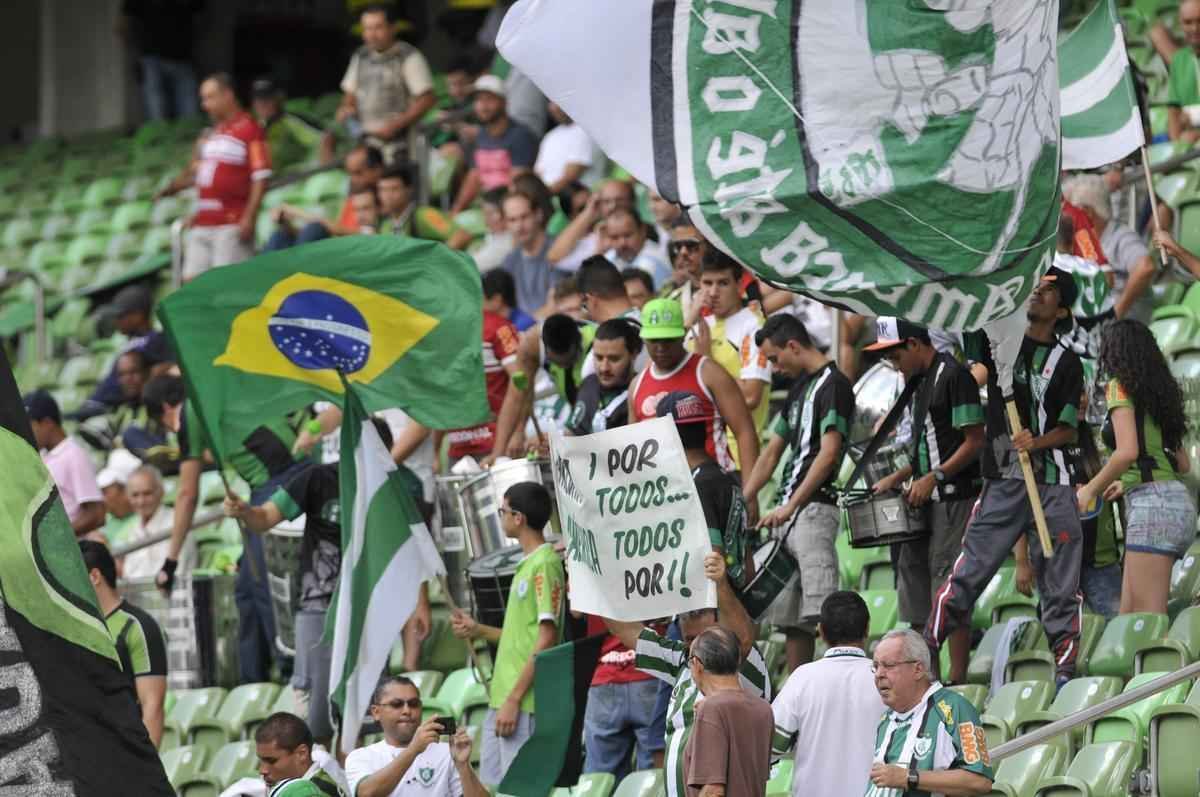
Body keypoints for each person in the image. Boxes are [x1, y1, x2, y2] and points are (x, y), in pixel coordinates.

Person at [924, 269, 1086, 689]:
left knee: (1060, 584)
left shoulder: (1068, 363)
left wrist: (1037, 441)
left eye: (1048, 289)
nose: (1037, 291)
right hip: (1003, 479)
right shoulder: (998, 339)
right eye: (1035, 285)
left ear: (1062, 310)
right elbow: (970, 312)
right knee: (969, 572)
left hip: (1055, 484)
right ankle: (925, 649)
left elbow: (1069, 429)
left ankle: (1065, 673)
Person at [225, 430, 433, 745]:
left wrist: (421, 603)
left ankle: (359, 772)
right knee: (316, 718)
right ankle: (323, 773)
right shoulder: (317, 478)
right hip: (318, 605)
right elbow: (265, 518)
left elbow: (412, 550)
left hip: (370, 608)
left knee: (367, 713)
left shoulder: (400, 486)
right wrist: (245, 512)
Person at [143, 375, 307, 683]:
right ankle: (254, 686)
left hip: (276, 484)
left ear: (165, 409)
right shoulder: (218, 392)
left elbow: (187, 494)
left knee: (265, 589)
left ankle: (294, 679)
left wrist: (170, 561)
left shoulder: (191, 410)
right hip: (294, 471)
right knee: (246, 590)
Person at [867, 318, 984, 684]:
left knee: (948, 584)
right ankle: (927, 675)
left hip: (952, 497)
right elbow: (926, 448)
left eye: (896, 356)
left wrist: (935, 476)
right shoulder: (917, 383)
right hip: (922, 499)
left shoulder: (954, 376)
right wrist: (898, 477)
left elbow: (974, 440)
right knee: (914, 584)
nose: (895, 365)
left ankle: (958, 677)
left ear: (915, 345)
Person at [601, 552, 767, 797]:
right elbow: (627, 632)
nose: (694, 646)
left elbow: (742, 638)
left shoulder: (740, 663)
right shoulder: (683, 659)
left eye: (703, 636)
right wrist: (594, 588)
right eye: (689, 638)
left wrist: (720, 585)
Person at [741, 315, 852, 672]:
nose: (775, 368)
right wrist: (746, 497)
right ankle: (798, 686)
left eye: (775, 359)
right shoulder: (800, 387)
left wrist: (791, 504)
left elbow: (829, 453)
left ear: (792, 346)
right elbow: (771, 452)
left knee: (823, 611)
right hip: (788, 512)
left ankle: (835, 681)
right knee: (791, 620)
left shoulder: (834, 385)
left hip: (813, 509)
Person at [1076, 320, 1196, 614]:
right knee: (1127, 619)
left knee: (1146, 620)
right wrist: (1128, 481)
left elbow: (1127, 451)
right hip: (1176, 505)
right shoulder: (1162, 395)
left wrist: (1090, 490)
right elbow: (1182, 464)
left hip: (1152, 510)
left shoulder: (1118, 387)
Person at [450, 483, 564, 787]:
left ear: (518, 517)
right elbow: (519, 637)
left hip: (523, 700)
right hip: (502, 698)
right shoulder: (526, 565)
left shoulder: (545, 563)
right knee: (491, 787)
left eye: (502, 511)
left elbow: (546, 639)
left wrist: (515, 699)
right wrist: (476, 629)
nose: (500, 517)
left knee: (518, 789)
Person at [157, 73, 271, 281]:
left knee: (226, 284)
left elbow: (261, 176)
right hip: (203, 222)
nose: (204, 105)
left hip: (231, 223)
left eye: (210, 97)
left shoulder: (250, 130)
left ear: (228, 95)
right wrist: (173, 187)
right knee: (192, 283)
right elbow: (197, 173)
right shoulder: (210, 134)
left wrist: (249, 216)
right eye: (203, 99)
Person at [629, 297, 760, 476]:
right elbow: (633, 447)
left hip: (713, 482)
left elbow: (745, 431)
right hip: (666, 487)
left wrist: (749, 488)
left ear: (683, 335)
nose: (661, 347)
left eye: (668, 340)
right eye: (654, 340)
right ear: (644, 339)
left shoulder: (709, 372)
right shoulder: (637, 385)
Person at [772, 592, 885, 797]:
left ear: (821, 631)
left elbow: (772, 745)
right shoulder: (885, 679)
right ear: (867, 628)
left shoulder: (802, 678)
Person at [867, 630, 993, 797]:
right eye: (876, 667)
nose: (879, 674)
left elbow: (980, 781)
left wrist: (908, 777)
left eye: (888, 665)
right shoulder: (885, 719)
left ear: (918, 669)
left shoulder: (954, 709)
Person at [658, 392, 755, 592]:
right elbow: (748, 563)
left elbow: (712, 563)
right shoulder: (726, 477)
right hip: (740, 597)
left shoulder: (697, 486)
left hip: (716, 605)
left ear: (667, 436)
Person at [80, 540, 167, 747]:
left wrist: (146, 763)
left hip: (127, 750)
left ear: (94, 577)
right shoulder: (76, 628)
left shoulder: (138, 626)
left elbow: (152, 706)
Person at [690, 252, 771, 472]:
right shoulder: (695, 325)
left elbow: (751, 396)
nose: (713, 292)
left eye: (723, 283)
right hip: (694, 457)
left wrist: (707, 361)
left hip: (737, 459)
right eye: (707, 283)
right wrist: (688, 320)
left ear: (739, 284)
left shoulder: (754, 327)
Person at [347, 676, 485, 797]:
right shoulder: (361, 756)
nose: (407, 710)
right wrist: (413, 750)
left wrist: (463, 766)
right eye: (397, 704)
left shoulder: (447, 752)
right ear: (376, 712)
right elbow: (366, 794)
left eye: (413, 704)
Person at [337, 4, 436, 162]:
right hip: (367, 142)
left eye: (378, 28)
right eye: (367, 29)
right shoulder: (361, 55)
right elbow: (350, 94)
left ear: (392, 28)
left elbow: (427, 99)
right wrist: (346, 108)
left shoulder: (407, 56)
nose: (372, 34)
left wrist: (395, 126)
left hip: (400, 144)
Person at [683, 626, 773, 797]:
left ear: (697, 664)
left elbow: (713, 791)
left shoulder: (711, 709)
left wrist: (707, 716)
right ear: (737, 661)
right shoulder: (763, 709)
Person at [1064, 175, 1157, 324]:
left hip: (1126, 327)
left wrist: (1117, 312)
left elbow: (1146, 267)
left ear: (1086, 212)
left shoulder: (1121, 236)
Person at [443, 303, 522, 464]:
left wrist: (517, 432)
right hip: (457, 446)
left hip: (495, 443)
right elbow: (441, 394)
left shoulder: (498, 327)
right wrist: (436, 450)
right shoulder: (442, 331)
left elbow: (520, 381)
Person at [265, 145, 385, 250]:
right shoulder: (351, 198)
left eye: (358, 173)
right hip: (331, 247)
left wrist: (295, 212)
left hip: (343, 253)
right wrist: (286, 224)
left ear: (377, 170)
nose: (352, 180)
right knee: (281, 236)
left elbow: (332, 228)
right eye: (350, 173)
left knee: (315, 229)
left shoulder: (382, 200)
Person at [450, 77, 539, 214]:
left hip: (511, 211)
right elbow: (474, 177)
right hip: (485, 208)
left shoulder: (520, 136)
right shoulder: (480, 136)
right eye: (479, 100)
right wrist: (456, 211)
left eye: (489, 99)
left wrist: (502, 214)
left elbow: (519, 182)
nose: (483, 106)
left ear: (504, 102)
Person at [25, 390, 105, 537]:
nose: (26, 434)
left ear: (47, 423)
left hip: (73, 548)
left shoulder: (73, 455)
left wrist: (58, 538)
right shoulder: (42, 456)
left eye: (29, 427)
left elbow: (97, 514)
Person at [118, 0, 202, 121]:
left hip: (183, 59)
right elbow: (123, 24)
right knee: (157, 117)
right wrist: (135, 55)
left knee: (190, 118)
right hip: (151, 60)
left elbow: (201, 17)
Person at [240, 712, 347, 797]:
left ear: (302, 754)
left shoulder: (317, 792)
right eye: (261, 760)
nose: (262, 770)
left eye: (271, 761)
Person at [565, 319, 641, 436]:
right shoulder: (589, 384)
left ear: (634, 354)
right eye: (598, 358)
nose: (604, 368)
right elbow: (572, 434)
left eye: (614, 359)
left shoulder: (641, 392)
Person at [500, 189, 566, 318]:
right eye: (512, 220)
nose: (519, 226)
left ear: (538, 214)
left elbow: (556, 306)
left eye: (524, 217)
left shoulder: (558, 250)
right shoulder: (509, 261)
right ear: (506, 224)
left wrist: (521, 326)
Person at [548, 180, 638, 272]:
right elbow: (553, 257)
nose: (613, 206)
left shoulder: (640, 228)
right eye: (606, 201)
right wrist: (588, 212)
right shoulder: (593, 239)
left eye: (620, 200)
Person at [122, 465, 192, 579]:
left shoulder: (176, 523)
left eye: (147, 493)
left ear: (161, 492)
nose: (141, 501)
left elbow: (178, 572)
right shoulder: (133, 530)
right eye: (135, 495)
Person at [252, 78, 325, 174]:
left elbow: (323, 141)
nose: (262, 104)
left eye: (267, 98)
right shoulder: (252, 128)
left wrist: (305, 169)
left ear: (279, 98)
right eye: (258, 99)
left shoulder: (291, 121)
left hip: (294, 178)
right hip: (267, 179)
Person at [376, 163, 462, 245]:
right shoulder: (384, 225)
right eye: (383, 190)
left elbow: (460, 236)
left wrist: (438, 255)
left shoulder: (424, 214)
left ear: (408, 190)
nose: (388, 196)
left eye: (394, 189)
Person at [534, 102, 605, 193]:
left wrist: (542, 196)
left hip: (576, 195)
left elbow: (571, 176)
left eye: (556, 102)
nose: (553, 107)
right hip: (548, 195)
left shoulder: (586, 131)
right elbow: (538, 173)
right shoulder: (551, 135)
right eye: (551, 103)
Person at [604, 209, 671, 288]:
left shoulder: (652, 262)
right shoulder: (609, 257)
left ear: (642, 231)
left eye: (627, 235)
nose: (622, 243)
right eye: (615, 237)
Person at [658, 222, 708, 320]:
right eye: (678, 246)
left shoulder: (730, 294)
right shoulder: (671, 301)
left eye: (690, 245)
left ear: (709, 245)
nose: (683, 252)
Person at [1167, 0, 1200, 143]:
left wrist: (1191, 117)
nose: (1195, 28)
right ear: (1180, 24)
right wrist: (1177, 145)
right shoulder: (1178, 60)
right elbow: (1173, 112)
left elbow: (1186, 117)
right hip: (1190, 149)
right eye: (1188, 22)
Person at [576, 255, 640, 325]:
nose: (587, 313)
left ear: (591, 298)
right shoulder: (646, 321)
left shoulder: (613, 330)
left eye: (584, 306)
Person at [97, 449, 140, 547]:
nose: (101, 498)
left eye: (105, 492)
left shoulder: (144, 519)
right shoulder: (105, 519)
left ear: (125, 492)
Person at [472, 189, 516, 273]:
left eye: (489, 213)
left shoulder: (505, 245)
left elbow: (469, 267)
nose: (486, 221)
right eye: (485, 214)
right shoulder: (494, 235)